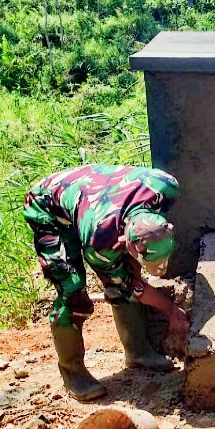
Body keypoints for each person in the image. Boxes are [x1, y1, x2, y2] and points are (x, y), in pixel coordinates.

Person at [23, 164, 189, 400]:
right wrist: (171, 310)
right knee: (73, 290)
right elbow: (129, 284)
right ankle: (73, 373)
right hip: (49, 205)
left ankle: (137, 350)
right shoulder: (100, 242)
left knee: (123, 276)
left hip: (94, 194)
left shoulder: (166, 187)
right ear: (123, 240)